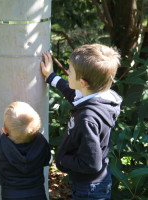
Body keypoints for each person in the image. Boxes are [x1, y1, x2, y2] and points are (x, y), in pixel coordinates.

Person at [40, 44, 122, 200]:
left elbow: (91, 163)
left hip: (90, 189)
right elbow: (74, 94)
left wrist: (61, 160)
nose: (68, 73)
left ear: (83, 82)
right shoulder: (100, 98)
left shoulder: (87, 118)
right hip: (93, 182)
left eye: (70, 71)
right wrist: (51, 77)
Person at [0, 101, 52, 200]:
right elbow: (47, 160)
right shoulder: (41, 141)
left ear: (5, 130)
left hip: (11, 195)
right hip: (37, 194)